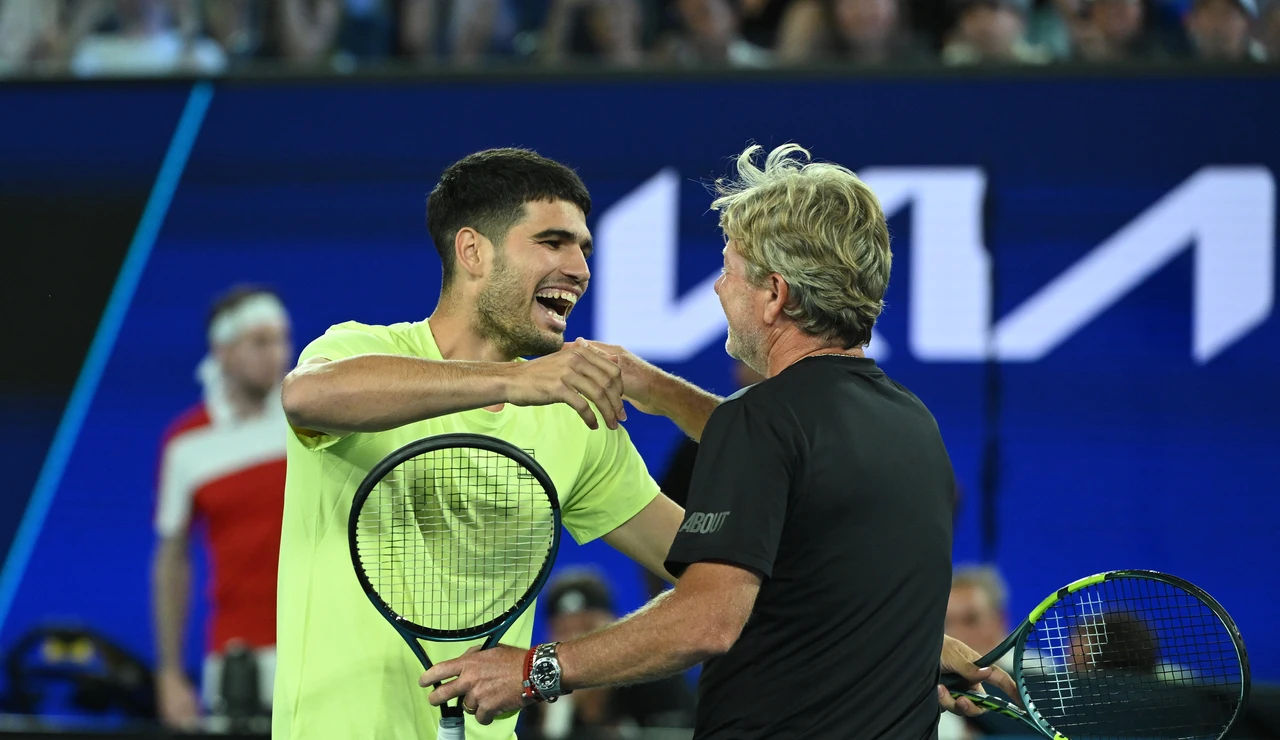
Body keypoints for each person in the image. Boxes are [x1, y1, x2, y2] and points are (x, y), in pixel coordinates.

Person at [420, 143, 1016, 738]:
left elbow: (705, 621)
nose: (718, 290)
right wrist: (653, 386)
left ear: (775, 295)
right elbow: (817, 548)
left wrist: (534, 670)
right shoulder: (912, 424)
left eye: (730, 270)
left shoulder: (761, 420)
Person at [273, 148, 722, 740]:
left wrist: (547, 670)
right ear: (473, 252)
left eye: (585, 248)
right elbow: (307, 398)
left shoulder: (576, 422)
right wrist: (516, 381)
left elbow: (714, 581)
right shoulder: (363, 351)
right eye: (554, 242)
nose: (582, 268)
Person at [151, 285, 292, 731]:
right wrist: (171, 675)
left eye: (282, 339)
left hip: (322, 643)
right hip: (234, 662)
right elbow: (173, 559)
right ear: (224, 352)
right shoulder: (186, 444)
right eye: (261, 342)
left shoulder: (311, 419)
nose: (279, 354)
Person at [520, 569, 695, 739]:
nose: (576, 641)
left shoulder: (656, 677)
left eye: (588, 628)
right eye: (564, 632)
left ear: (614, 627)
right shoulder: (536, 691)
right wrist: (557, 715)